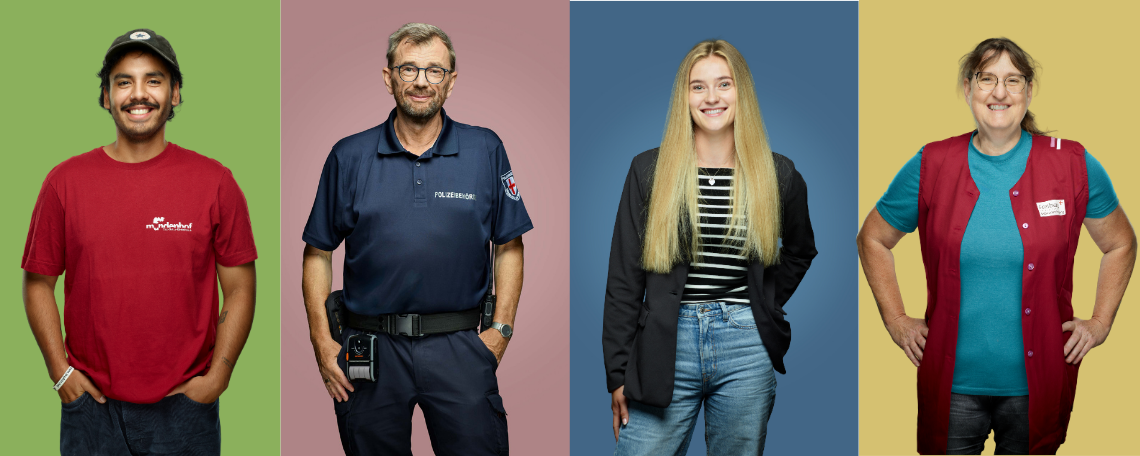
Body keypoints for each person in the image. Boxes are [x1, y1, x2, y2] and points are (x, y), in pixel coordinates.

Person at [857, 37, 1135, 455]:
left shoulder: (1072, 163)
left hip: (1036, 386)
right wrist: (896, 319)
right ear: (968, 89)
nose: (1000, 92)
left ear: (1028, 89)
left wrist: (1100, 322)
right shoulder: (932, 163)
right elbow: (873, 238)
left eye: (1013, 80)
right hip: (953, 388)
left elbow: (1120, 244)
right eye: (987, 79)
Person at [21, 28, 258, 455]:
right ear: (106, 97)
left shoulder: (215, 182)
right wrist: (60, 372)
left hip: (186, 410)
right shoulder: (63, 182)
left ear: (176, 94)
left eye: (154, 79)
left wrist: (219, 375)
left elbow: (239, 287)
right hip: (91, 408)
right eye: (123, 81)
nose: (139, 93)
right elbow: (38, 283)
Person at [300, 22, 532, 455]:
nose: (422, 82)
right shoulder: (348, 156)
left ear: (451, 81)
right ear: (388, 78)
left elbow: (510, 245)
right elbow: (317, 253)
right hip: (370, 350)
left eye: (435, 71)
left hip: (460, 345)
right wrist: (321, 340)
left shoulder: (486, 149)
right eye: (408, 69)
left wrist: (500, 330)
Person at [602, 39, 816, 456]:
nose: (712, 97)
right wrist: (616, 374)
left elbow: (800, 249)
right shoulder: (648, 170)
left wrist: (763, 303)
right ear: (684, 97)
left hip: (745, 346)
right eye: (698, 86)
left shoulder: (778, 173)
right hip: (665, 344)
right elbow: (623, 277)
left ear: (743, 92)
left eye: (724, 84)